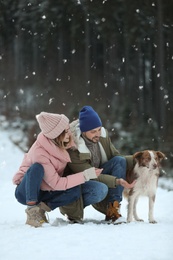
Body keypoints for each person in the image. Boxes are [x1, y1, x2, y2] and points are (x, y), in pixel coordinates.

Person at [12, 111, 108, 227]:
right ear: (57, 134)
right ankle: (32, 210)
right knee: (36, 168)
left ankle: (42, 209)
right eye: (66, 131)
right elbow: (57, 183)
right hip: (27, 191)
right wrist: (85, 175)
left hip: (48, 190)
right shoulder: (40, 153)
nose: (69, 133)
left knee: (76, 189)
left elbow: (78, 138)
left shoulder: (63, 141)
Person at [59, 106, 136, 224]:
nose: (98, 134)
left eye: (99, 129)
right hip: (80, 184)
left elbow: (116, 157)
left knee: (119, 160)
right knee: (101, 189)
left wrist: (140, 159)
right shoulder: (74, 148)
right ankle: (73, 212)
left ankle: (112, 209)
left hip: (99, 175)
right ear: (84, 131)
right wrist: (117, 181)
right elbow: (90, 174)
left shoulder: (102, 137)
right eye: (93, 131)